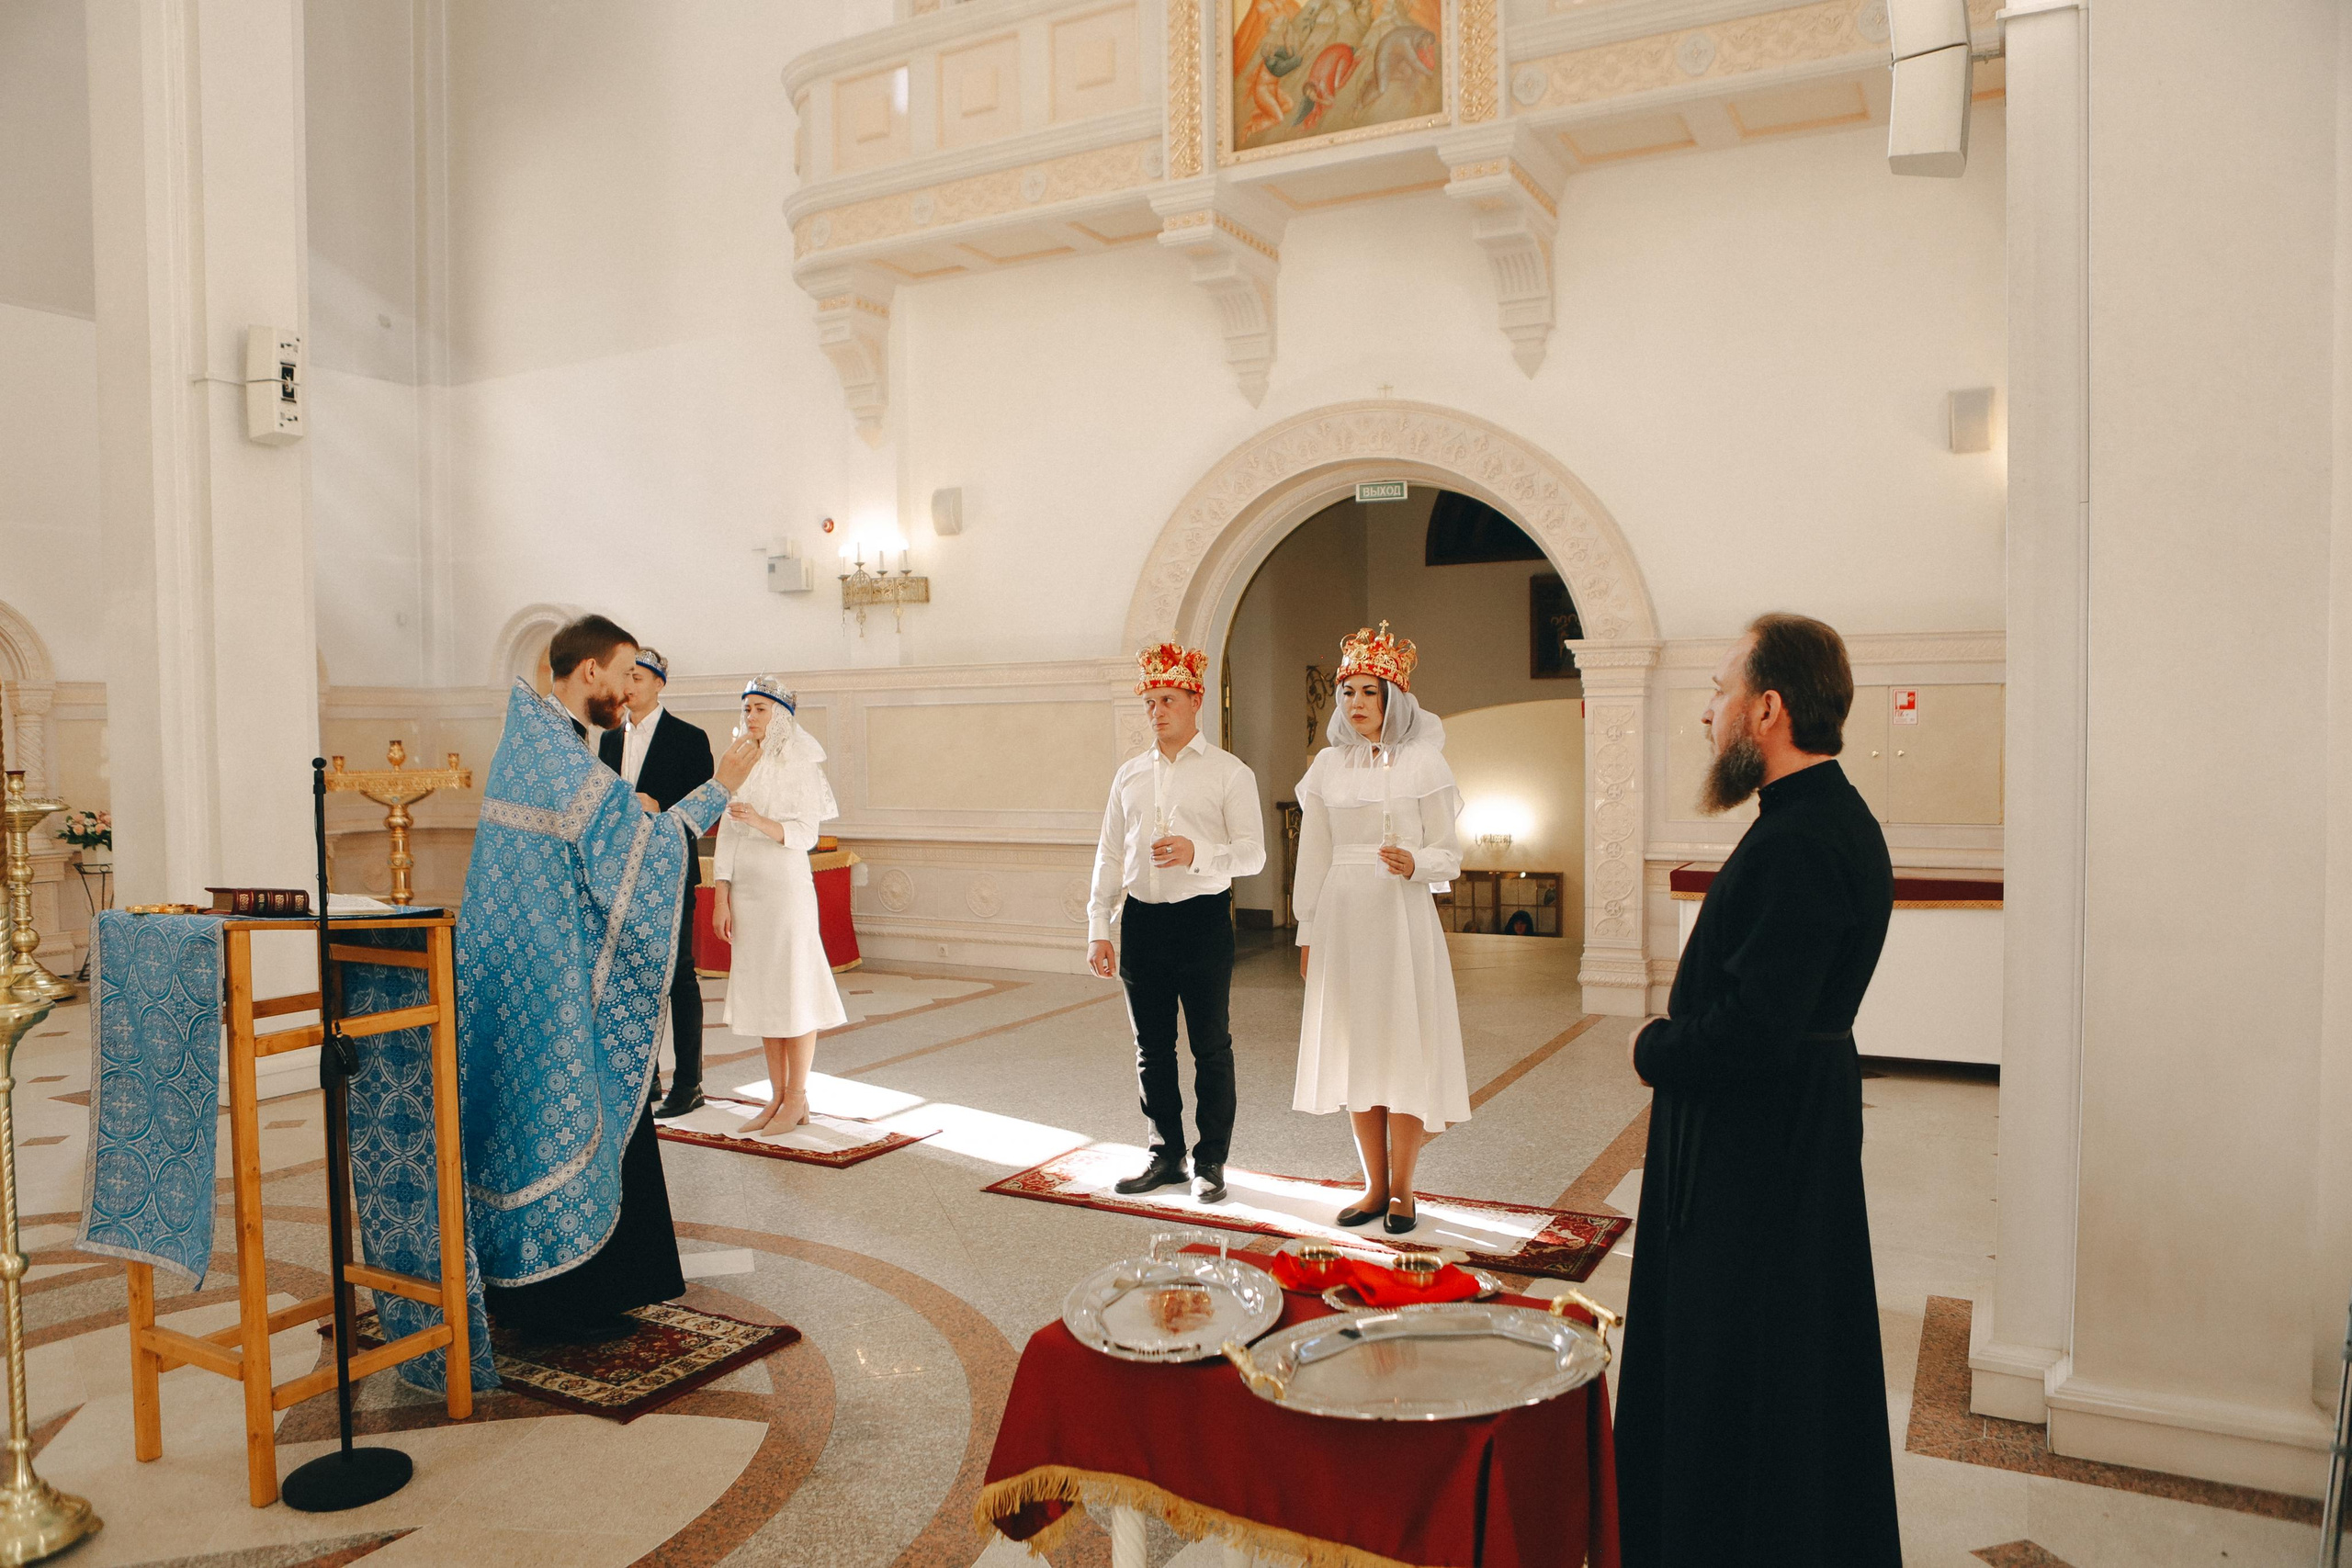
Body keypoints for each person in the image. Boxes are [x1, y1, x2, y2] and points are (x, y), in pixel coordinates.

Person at [1615, 613, 1901, 1567]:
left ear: (1766, 708)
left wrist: (1655, 1045)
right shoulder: (1823, 818)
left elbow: (1752, 1032)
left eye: (1717, 692)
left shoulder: (1798, 841)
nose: (1707, 714)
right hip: (1785, 1136)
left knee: (1738, 1366)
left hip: (1755, 1156)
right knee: (1785, 1363)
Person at [458, 613, 757, 1344]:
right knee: (561, 1114)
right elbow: (641, 848)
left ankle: (597, 1283)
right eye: (626, 674)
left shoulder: (543, 742)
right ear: (588, 671)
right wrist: (720, 786)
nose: (631, 691)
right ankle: (559, 1298)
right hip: (550, 986)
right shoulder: (557, 755)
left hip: (537, 974)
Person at [1290, 623, 1468, 1235]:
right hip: (1343, 916)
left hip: (1400, 915)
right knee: (1358, 1046)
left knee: (1402, 1047)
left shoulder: (1425, 762)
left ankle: (1403, 1191)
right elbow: (1312, 854)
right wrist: (1306, 930)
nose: (1356, 702)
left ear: (1395, 697)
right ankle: (1370, 1185)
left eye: (1369, 690)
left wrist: (1416, 861)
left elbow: (1450, 851)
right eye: (1347, 692)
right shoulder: (1326, 767)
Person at [1086, 643, 1266, 1203]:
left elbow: (1254, 855)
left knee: (1211, 1045)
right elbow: (1110, 853)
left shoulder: (1229, 773)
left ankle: (1210, 1160)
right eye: (1150, 702)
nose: (1156, 711)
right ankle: (1165, 1154)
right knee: (1152, 1048)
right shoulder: (1130, 776)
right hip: (1142, 921)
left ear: (1196, 701)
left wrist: (1198, 852)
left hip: (1202, 920)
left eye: (1167, 699)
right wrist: (1099, 924)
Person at [711, 676, 848, 1134]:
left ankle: (797, 1097)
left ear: (781, 716)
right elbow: (728, 832)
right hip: (747, 891)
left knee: (793, 989)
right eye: (746, 709)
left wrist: (762, 821)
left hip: (786, 892)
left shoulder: (801, 763)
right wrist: (721, 896)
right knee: (766, 993)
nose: (750, 717)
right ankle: (774, 1097)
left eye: (759, 709)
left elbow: (807, 834)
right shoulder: (737, 762)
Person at [598, 646, 717, 1118]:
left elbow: (707, 806)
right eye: (625, 678)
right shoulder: (607, 739)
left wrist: (659, 804)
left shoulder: (689, 737)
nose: (629, 688)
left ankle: (689, 1083)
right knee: (630, 976)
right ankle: (643, 1079)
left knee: (679, 975)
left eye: (639, 678)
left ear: (659, 684)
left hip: (669, 866)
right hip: (623, 871)